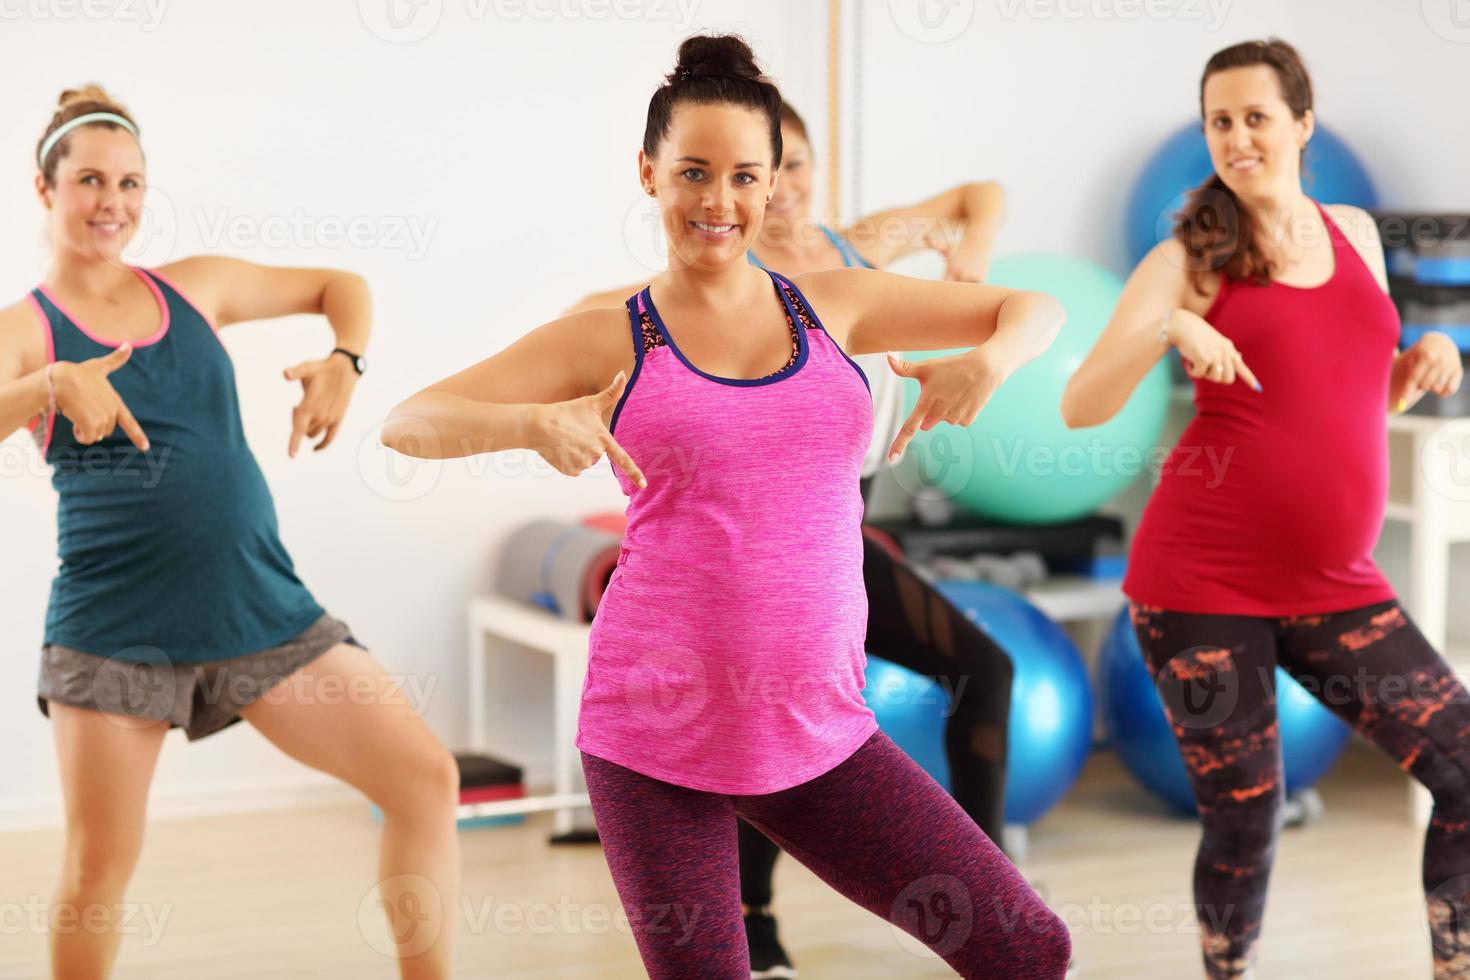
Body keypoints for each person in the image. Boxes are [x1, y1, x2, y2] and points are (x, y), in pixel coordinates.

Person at [384, 33, 1071, 980]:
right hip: (652, 731)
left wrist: (991, 361)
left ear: (776, 178)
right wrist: (534, 426)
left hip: (819, 726)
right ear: (649, 173)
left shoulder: (833, 305)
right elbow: (410, 423)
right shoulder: (609, 331)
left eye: (745, 175)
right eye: (693, 173)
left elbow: (1035, 309)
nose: (719, 202)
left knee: (1028, 947)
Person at [0, 86, 460, 979]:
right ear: (44, 190)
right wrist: (47, 386)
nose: (113, 203)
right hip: (114, 631)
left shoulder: (194, 285)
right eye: (90, 180)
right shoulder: (27, 330)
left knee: (424, 779)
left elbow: (342, 286)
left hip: (259, 608)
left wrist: (345, 359)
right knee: (99, 869)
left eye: (131, 183)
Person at [569, 98, 1016, 980]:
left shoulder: (857, 252)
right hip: (742, 536)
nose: (765, 193)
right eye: (709, 172)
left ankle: (989, 879)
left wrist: (974, 262)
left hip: (841, 524)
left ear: (789, 171)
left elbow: (981, 196)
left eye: (779, 168)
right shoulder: (735, 271)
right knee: (756, 721)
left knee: (973, 672)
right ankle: (754, 914)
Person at [1062, 39, 1469, 980]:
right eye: (1219, 120)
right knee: (1246, 812)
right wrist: (1170, 326)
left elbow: (1345, 399)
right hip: (1202, 580)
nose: (1237, 137)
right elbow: (1080, 405)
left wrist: (1415, 369)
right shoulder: (1187, 259)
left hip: (1335, 585)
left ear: (1301, 123)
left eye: (1255, 117)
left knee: (1462, 773)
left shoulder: (1356, 234)